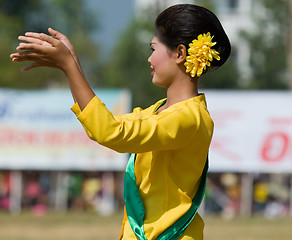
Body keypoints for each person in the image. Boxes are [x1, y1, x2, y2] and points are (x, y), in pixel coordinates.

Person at [10, 4, 231, 239]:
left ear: (179, 54)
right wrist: (72, 65)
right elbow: (105, 125)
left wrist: (69, 67)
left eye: (153, 48)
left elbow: (111, 132)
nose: (149, 58)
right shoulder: (158, 110)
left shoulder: (189, 119)